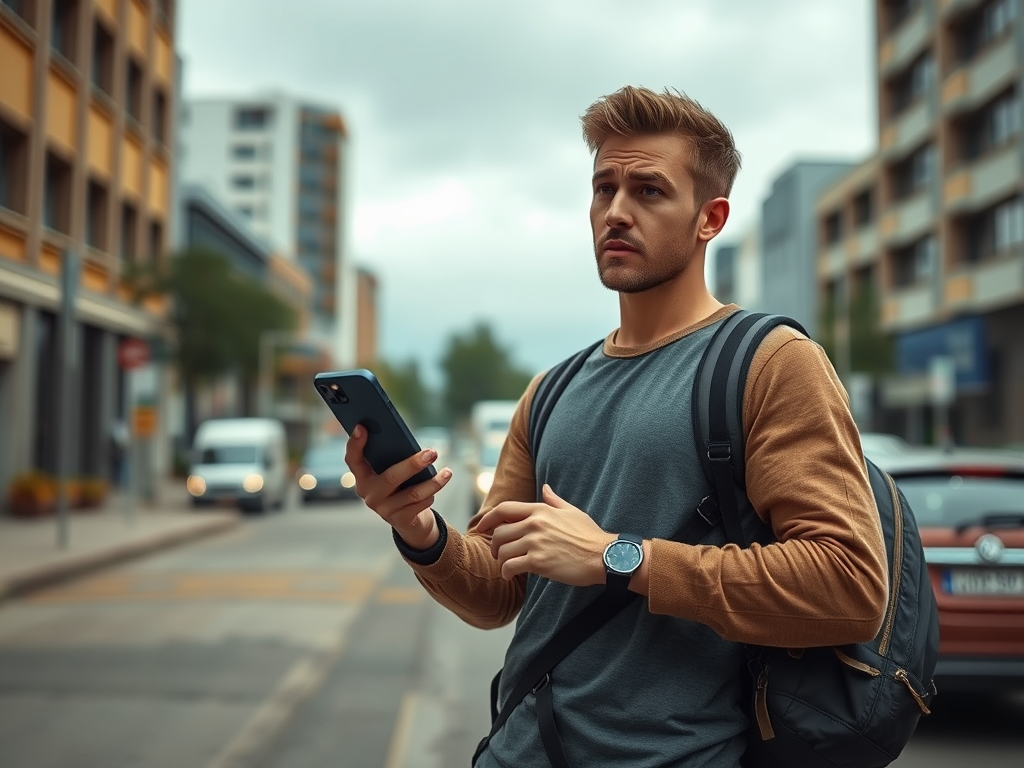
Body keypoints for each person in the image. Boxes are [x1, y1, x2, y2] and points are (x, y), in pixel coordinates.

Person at [344, 86, 888, 768]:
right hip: (517, 750)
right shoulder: (551, 390)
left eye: (649, 191)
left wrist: (618, 557)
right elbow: (495, 592)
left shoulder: (771, 363)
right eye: (604, 188)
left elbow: (849, 586)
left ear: (709, 218)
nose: (616, 212)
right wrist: (418, 530)